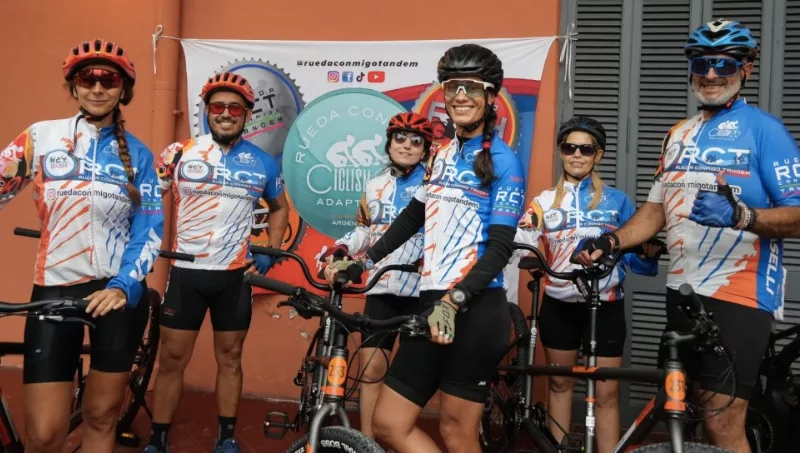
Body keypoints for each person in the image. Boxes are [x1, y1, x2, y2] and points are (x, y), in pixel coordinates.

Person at [574, 19, 800, 453]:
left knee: (721, 419)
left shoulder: (765, 130)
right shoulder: (678, 133)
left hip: (740, 291)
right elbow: (655, 210)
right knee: (690, 410)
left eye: (723, 64)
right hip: (683, 290)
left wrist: (742, 215)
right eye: (701, 64)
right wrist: (611, 242)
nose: (711, 74)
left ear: (746, 69)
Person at [324, 43, 526, 453]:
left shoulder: (504, 162)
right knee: (388, 424)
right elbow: (412, 217)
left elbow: (501, 247)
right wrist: (364, 261)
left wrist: (455, 299)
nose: (460, 97)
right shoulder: (441, 154)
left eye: (471, 88)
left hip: (475, 308)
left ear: (490, 96)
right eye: (453, 88)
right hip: (431, 303)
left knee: (456, 432)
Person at [0, 39, 163, 453]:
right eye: (87, 78)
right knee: (42, 434)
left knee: (102, 416)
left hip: (117, 294)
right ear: (73, 86)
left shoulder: (140, 156)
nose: (97, 87)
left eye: (109, 79)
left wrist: (123, 285)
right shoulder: (41, 137)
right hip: (55, 287)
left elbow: (148, 230)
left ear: (123, 90)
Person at [146, 72, 289, 453]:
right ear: (207, 111)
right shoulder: (178, 153)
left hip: (234, 278)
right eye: (218, 106)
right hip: (186, 274)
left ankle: (226, 438)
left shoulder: (263, 162)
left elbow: (279, 208)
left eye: (235, 108)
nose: (226, 114)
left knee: (231, 359)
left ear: (247, 114)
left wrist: (271, 250)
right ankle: (158, 438)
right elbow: (149, 201)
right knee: (171, 359)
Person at [515, 116, 662, 453]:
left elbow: (634, 259)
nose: (577, 155)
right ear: (561, 152)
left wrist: (649, 255)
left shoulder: (617, 201)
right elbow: (520, 241)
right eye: (570, 148)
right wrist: (519, 249)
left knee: (606, 393)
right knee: (560, 384)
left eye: (586, 149)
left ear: (598, 155)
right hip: (558, 305)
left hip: (605, 305)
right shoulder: (543, 202)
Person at [319, 112, 432, 438]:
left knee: (409, 380)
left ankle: (399, 437)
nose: (407, 146)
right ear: (388, 143)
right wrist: (343, 246)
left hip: (421, 291)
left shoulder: (433, 186)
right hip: (381, 288)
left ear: (425, 149)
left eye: (416, 141)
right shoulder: (375, 185)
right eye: (400, 138)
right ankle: (365, 444)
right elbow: (365, 231)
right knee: (371, 371)